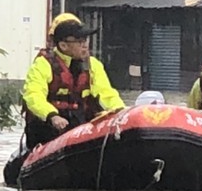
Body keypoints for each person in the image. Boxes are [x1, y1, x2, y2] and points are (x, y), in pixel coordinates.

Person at [22, 15, 125, 149]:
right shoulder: (43, 64)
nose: (85, 45)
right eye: (80, 41)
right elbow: (33, 95)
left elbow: (106, 93)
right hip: (49, 127)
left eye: (86, 40)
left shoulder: (93, 65)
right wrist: (52, 116)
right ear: (63, 45)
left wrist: (121, 112)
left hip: (81, 125)